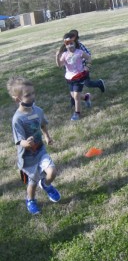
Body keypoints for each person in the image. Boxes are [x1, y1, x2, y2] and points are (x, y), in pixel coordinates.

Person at [7, 76, 61, 215]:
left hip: (41, 151)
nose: (32, 97)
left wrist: (47, 136)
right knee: (32, 183)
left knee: (52, 172)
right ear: (17, 99)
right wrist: (25, 143)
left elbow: (42, 124)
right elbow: (18, 140)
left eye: (32, 93)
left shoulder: (38, 110)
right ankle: (30, 200)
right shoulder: (17, 119)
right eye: (27, 95)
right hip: (28, 158)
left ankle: (46, 184)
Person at [56, 29, 105, 108]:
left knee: (87, 83)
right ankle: (73, 103)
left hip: (82, 70)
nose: (69, 43)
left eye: (72, 40)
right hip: (70, 71)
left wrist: (86, 66)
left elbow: (88, 55)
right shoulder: (64, 47)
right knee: (72, 89)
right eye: (66, 41)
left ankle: (99, 83)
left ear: (75, 39)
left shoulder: (79, 46)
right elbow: (61, 58)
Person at [56, 32, 93, 121]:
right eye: (67, 44)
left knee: (76, 96)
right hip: (69, 78)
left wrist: (87, 67)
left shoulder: (80, 52)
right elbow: (60, 65)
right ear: (65, 45)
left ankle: (77, 113)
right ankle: (86, 97)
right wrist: (57, 57)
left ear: (75, 43)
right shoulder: (64, 54)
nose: (70, 45)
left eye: (71, 43)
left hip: (79, 76)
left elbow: (89, 58)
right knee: (74, 95)